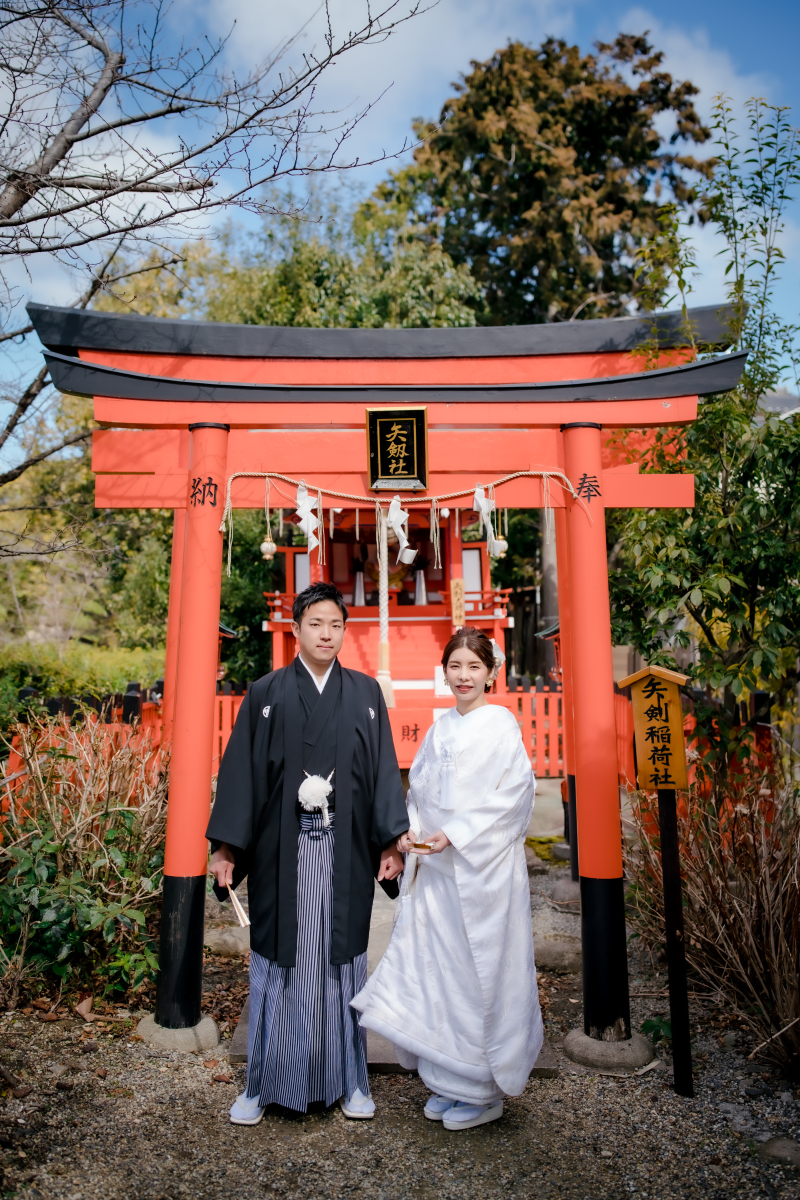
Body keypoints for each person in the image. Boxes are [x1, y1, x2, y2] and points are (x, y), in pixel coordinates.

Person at [207, 582, 409, 1124]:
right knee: (279, 963)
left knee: (342, 964)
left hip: (343, 853)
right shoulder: (266, 693)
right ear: (295, 630)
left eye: (336, 624)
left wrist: (390, 840)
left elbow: (383, 772)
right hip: (281, 852)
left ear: (345, 630)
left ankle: (351, 1081)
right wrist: (226, 848)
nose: (326, 633)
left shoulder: (365, 694)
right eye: (316, 623)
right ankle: (260, 1084)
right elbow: (241, 778)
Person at [351, 627, 542, 1131]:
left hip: (484, 877)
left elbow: (513, 797)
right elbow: (419, 795)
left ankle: (482, 1091)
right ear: (445, 671)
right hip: (435, 871)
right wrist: (406, 840)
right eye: (455, 666)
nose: (463, 676)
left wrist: (454, 834)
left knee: (479, 974)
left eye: (474, 667)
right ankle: (446, 1080)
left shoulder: (501, 726)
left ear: (491, 673)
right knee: (438, 972)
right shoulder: (439, 729)